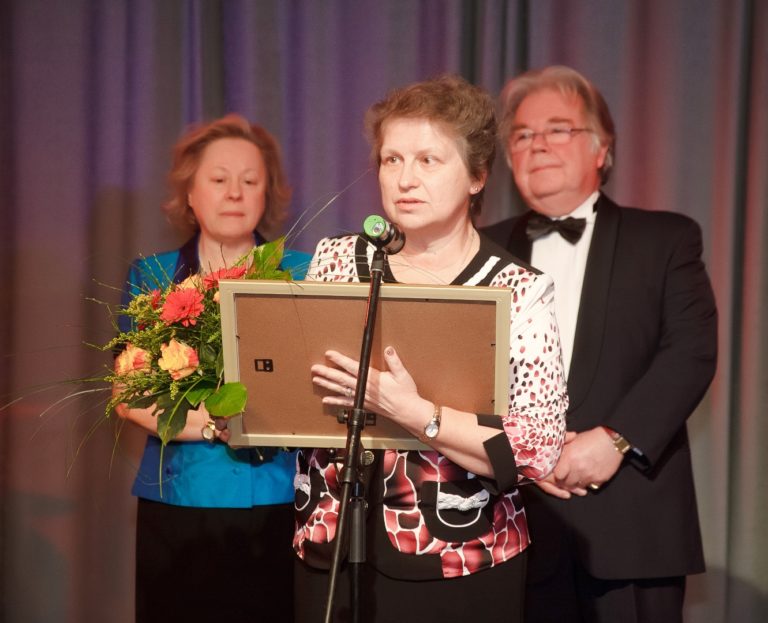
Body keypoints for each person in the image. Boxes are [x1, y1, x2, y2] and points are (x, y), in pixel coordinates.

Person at [293, 75, 568, 623]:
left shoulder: (517, 289)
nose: (404, 179)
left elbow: (537, 448)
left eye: (428, 160)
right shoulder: (335, 260)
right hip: (331, 546)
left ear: (477, 176)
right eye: (391, 160)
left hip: (462, 561)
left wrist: (416, 413)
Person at [482, 65, 718, 623]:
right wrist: (518, 457)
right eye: (522, 134)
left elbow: (690, 352)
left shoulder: (666, 238)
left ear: (601, 148)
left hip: (631, 521)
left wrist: (614, 440)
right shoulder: (480, 250)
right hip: (508, 527)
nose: (538, 144)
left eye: (557, 129)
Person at [116, 114, 310, 623]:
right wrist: (213, 426)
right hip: (178, 501)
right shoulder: (153, 275)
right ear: (190, 193)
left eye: (251, 181)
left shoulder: (304, 271)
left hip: (279, 497)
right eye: (219, 179)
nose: (235, 193)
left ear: (268, 193)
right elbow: (127, 395)